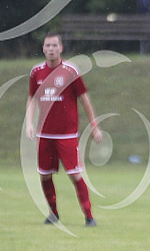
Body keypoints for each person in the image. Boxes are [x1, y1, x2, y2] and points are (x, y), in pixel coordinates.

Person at [25, 32, 103, 227]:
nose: (51, 49)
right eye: (47, 45)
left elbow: (84, 98)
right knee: (44, 175)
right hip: (44, 134)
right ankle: (53, 214)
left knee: (75, 174)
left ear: (61, 48)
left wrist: (94, 126)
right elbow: (31, 98)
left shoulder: (70, 71)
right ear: (43, 48)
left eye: (54, 45)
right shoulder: (36, 72)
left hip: (67, 134)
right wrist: (29, 123)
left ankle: (89, 216)